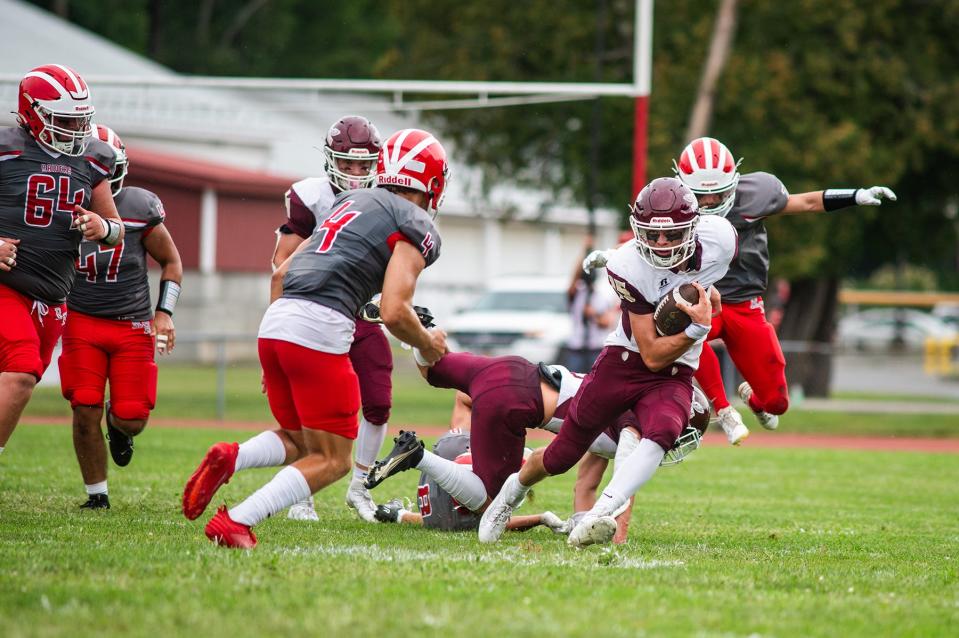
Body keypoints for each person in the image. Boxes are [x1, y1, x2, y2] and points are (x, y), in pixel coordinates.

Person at [182, 128, 450, 549]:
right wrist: (428, 343)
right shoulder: (413, 221)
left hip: (276, 324)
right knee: (334, 460)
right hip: (319, 327)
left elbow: (280, 273)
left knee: (300, 440)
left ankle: (232, 456)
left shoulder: (349, 202)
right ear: (433, 186)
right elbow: (395, 311)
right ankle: (237, 520)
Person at [478, 177, 737, 548]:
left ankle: (601, 514)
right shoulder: (628, 265)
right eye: (652, 235)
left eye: (671, 235)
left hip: (677, 370)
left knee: (662, 431)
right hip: (626, 360)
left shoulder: (721, 241)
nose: (660, 244)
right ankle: (509, 495)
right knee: (563, 453)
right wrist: (697, 329)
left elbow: (708, 289)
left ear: (693, 228)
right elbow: (650, 354)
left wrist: (709, 297)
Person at [672, 137, 896, 442]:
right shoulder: (672, 203)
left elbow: (807, 202)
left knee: (777, 404)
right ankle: (723, 411)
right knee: (682, 339)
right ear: (684, 185)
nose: (710, 203)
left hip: (745, 303)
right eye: (702, 195)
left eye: (718, 194)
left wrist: (855, 195)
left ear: (734, 182)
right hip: (701, 298)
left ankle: (751, 398)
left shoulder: (755, 195)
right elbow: (648, 238)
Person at [271, 115, 391, 523]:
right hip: (316, 312)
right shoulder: (310, 198)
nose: (357, 174)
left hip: (360, 315)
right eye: (347, 164)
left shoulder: (388, 198)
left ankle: (360, 489)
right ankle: (302, 494)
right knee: (311, 408)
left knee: (378, 402)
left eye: (364, 165)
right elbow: (281, 265)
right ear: (329, 161)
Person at [0, 64, 123, 459]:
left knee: (20, 378)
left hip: (53, 294)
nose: (73, 130)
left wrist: (100, 226)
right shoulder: (6, 148)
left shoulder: (94, 158)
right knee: (20, 375)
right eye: (63, 120)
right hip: (8, 285)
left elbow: (117, 229)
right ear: (31, 113)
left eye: (79, 121)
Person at [59, 125, 182, 509]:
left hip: (131, 322)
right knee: (83, 406)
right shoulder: (57, 203)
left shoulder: (138, 207)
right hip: (81, 318)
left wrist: (164, 313)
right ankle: (97, 495)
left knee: (132, 417)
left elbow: (171, 261)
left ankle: (117, 426)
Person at [363, 351, 634, 515]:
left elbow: (586, 484)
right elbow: (622, 487)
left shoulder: (618, 398)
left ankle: (418, 331)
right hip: (511, 405)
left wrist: (578, 524)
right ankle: (418, 456)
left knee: (431, 369)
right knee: (490, 505)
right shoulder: (632, 424)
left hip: (509, 369)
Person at [372, 430, 568, 535]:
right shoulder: (468, 466)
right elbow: (493, 519)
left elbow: (479, 519)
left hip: (437, 509)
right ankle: (417, 456)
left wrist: (399, 515)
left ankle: (419, 459)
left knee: (471, 513)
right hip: (442, 506)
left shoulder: (460, 468)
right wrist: (541, 518)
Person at [561, 235, 622, 373]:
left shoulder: (602, 296)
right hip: (576, 349)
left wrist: (593, 313)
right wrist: (585, 251)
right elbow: (574, 277)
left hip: (596, 349)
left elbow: (607, 322)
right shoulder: (577, 293)